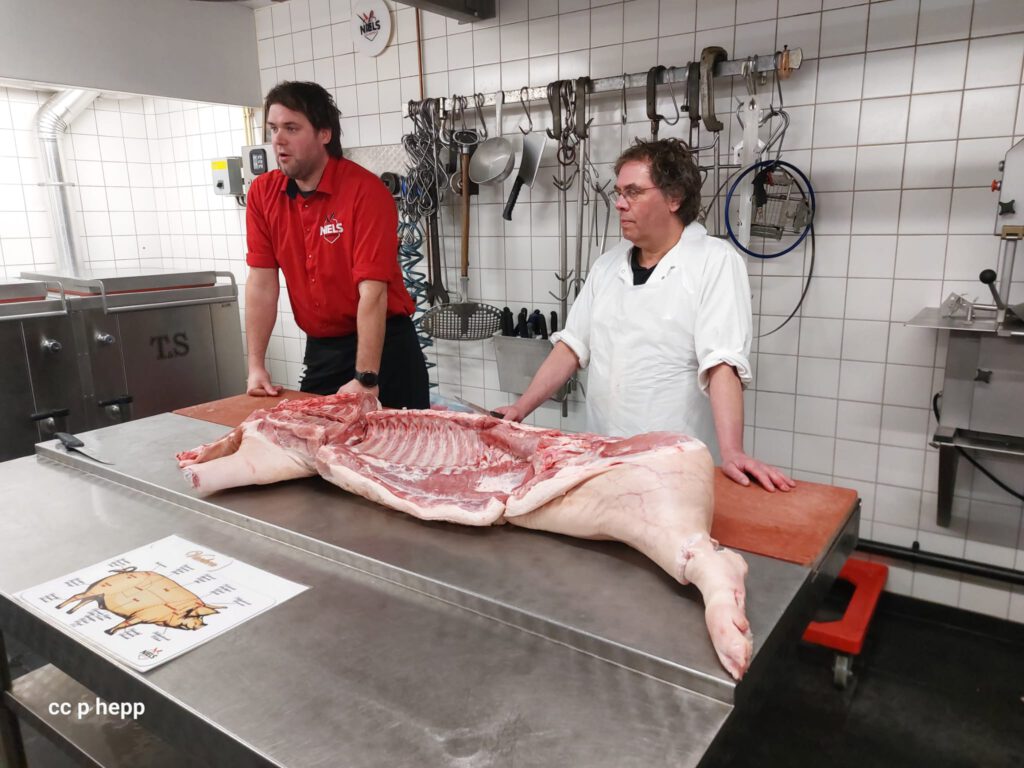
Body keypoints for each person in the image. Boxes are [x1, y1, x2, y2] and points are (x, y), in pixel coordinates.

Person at [496, 138, 794, 493]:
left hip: (673, 468)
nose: (620, 203)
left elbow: (722, 364)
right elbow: (571, 347)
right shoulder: (607, 266)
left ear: (674, 197)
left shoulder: (714, 262)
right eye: (619, 192)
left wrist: (733, 452)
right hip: (601, 458)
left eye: (633, 192)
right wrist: (520, 409)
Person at [244, 81, 429, 409]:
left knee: (397, 441)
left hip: (385, 350)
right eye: (273, 128)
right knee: (310, 438)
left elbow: (373, 291)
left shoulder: (366, 192)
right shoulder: (262, 194)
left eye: (291, 128)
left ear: (324, 133)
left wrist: (366, 378)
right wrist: (256, 365)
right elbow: (261, 283)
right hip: (323, 350)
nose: (278, 140)